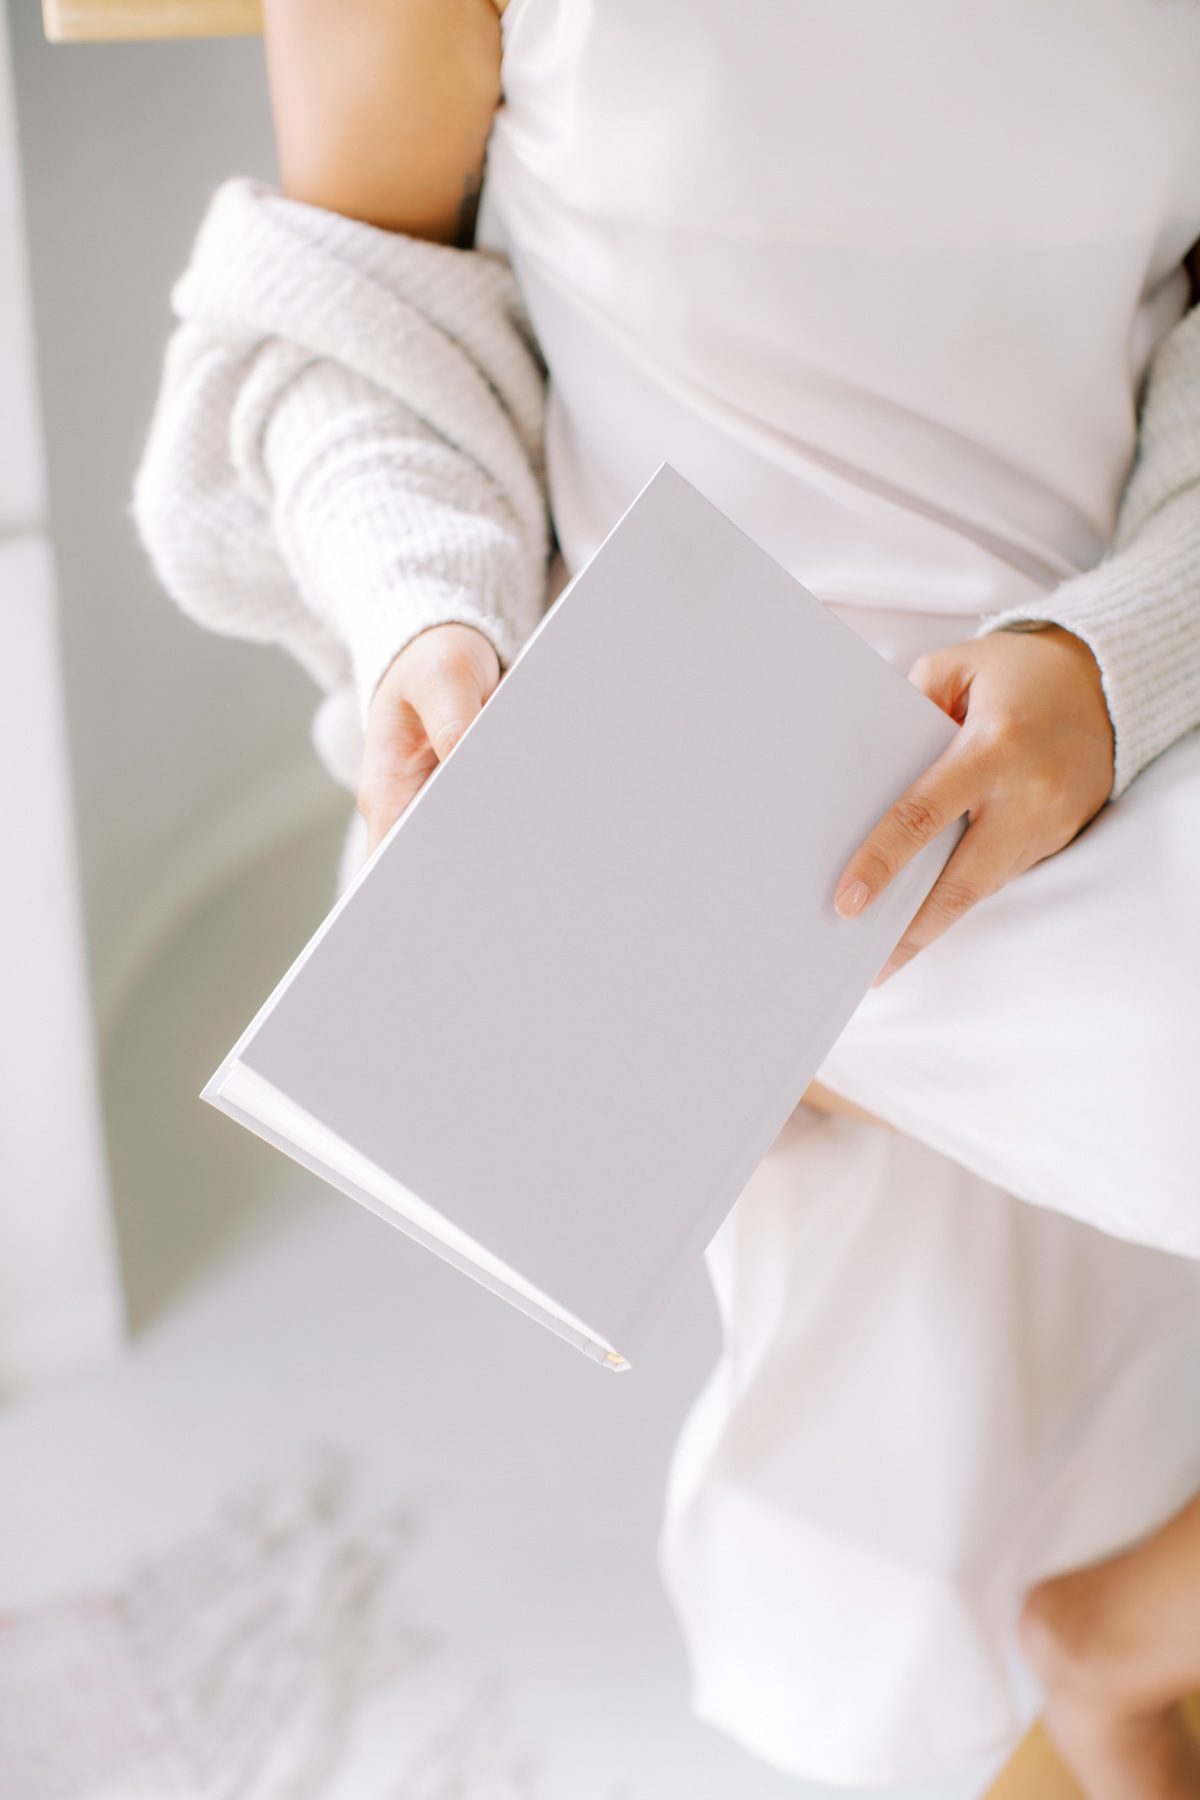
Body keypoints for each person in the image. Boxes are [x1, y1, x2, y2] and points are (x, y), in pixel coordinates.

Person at [132, 0, 1200, 1792]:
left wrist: (1121, 659)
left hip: (1120, 718)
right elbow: (342, 326)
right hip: (717, 832)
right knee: (912, 1524)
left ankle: (1124, 1637)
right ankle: (1107, 1649)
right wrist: (427, 618)